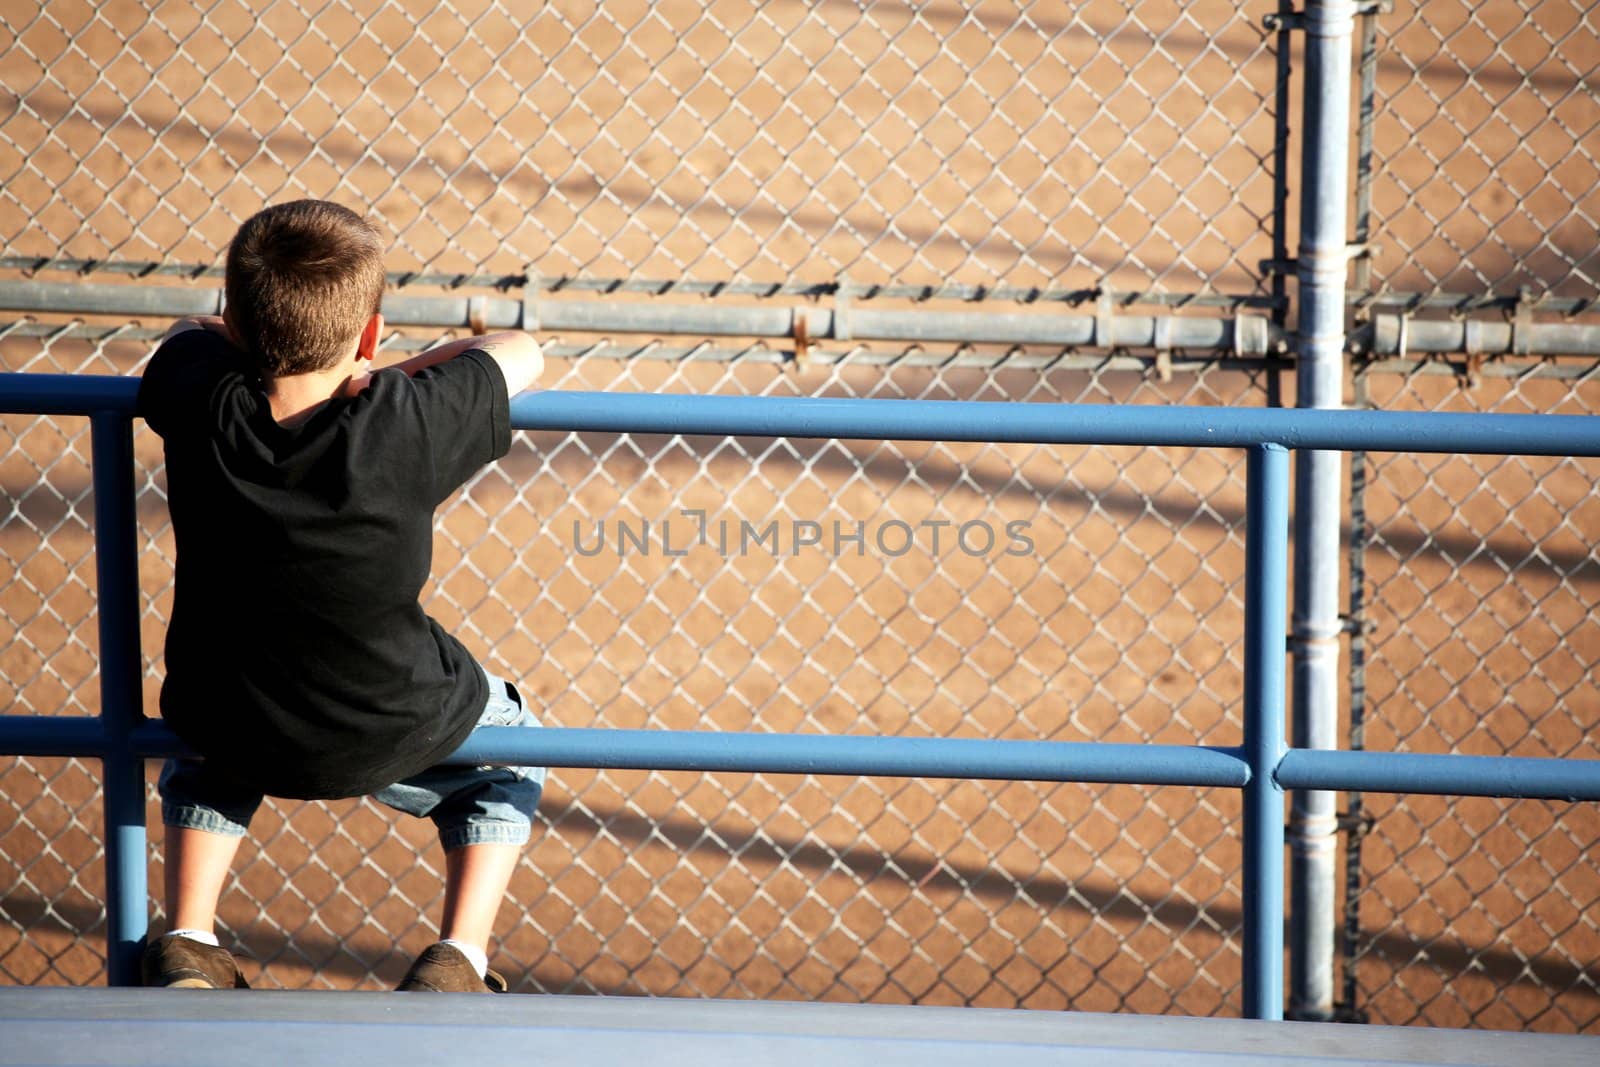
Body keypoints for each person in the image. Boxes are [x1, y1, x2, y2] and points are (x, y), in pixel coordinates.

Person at [135, 199, 547, 993]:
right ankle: (460, 952)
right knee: (511, 742)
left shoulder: (203, 405)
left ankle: (188, 935)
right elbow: (518, 350)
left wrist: (228, 341)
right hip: (384, 719)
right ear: (369, 333)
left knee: (208, 733)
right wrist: (389, 372)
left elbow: (183, 337)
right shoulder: (405, 417)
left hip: (234, 717)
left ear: (237, 324)